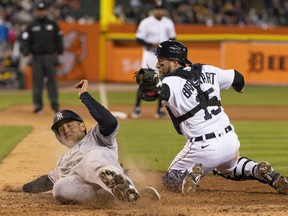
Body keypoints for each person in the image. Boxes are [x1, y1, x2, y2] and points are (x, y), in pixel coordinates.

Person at [135, 40, 288, 195]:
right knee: (229, 168)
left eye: (162, 60)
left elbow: (158, 92)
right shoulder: (208, 69)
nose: (158, 64)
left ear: (175, 62)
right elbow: (237, 77)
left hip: (203, 148)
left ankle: (191, 176)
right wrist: (239, 88)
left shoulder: (168, 82)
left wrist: (153, 87)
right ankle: (257, 169)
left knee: (170, 180)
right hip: (230, 142)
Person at [7, 79, 160, 204]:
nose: (65, 130)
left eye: (69, 125)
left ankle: (119, 182)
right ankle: (112, 194)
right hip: (89, 188)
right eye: (61, 129)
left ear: (82, 125)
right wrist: (21, 188)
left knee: (93, 157)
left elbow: (110, 122)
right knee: (59, 188)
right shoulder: (63, 161)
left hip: (100, 162)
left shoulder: (96, 135)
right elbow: (47, 181)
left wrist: (85, 96)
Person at [131, 2, 176, 119]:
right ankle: (137, 108)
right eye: (157, 8)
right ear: (154, 10)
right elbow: (138, 39)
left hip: (163, 56)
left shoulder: (168, 22)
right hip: (149, 54)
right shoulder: (146, 22)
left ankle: (159, 109)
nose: (159, 11)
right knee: (144, 79)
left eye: (161, 9)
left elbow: (173, 38)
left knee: (162, 81)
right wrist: (151, 44)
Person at [20, 1, 63, 114]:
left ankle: (54, 105)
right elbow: (25, 40)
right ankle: (38, 106)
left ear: (46, 11)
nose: (41, 12)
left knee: (52, 82)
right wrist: (26, 54)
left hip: (50, 56)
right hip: (36, 57)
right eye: (39, 10)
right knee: (37, 82)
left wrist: (60, 53)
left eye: (43, 10)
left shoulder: (52, 24)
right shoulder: (31, 25)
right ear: (36, 11)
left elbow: (59, 39)